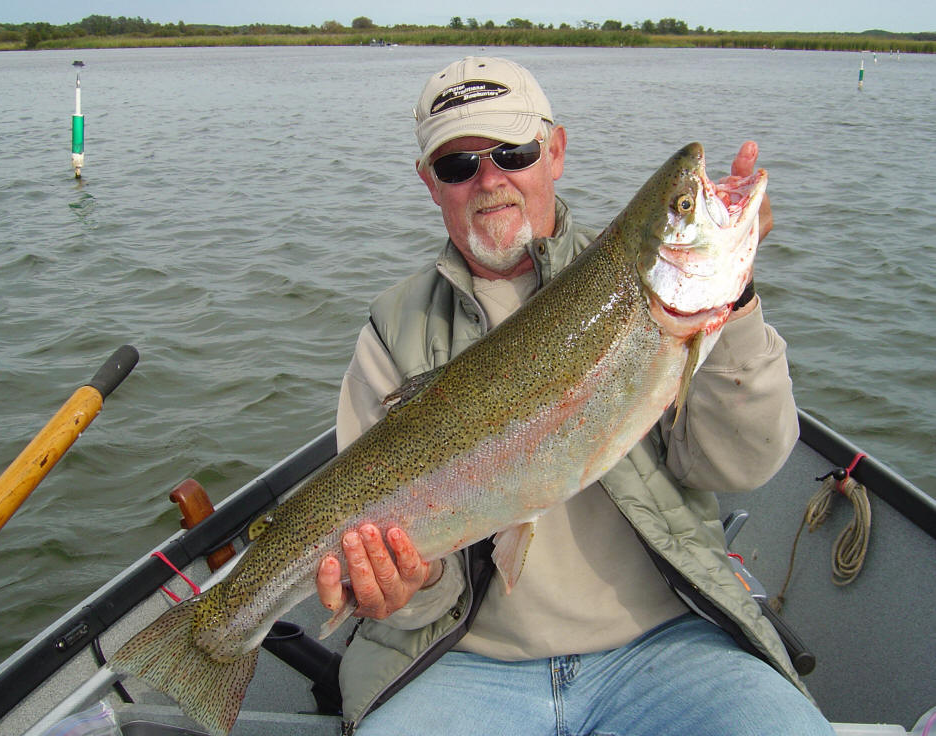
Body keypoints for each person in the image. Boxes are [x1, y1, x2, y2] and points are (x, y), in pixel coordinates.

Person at [316, 56, 834, 735]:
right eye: (458, 165)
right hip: (459, 664)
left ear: (555, 152)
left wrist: (731, 299)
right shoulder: (394, 330)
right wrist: (405, 588)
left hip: (669, 643)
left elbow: (743, 464)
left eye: (514, 152)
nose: (489, 180)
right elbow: (407, 597)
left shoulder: (649, 293)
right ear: (429, 183)